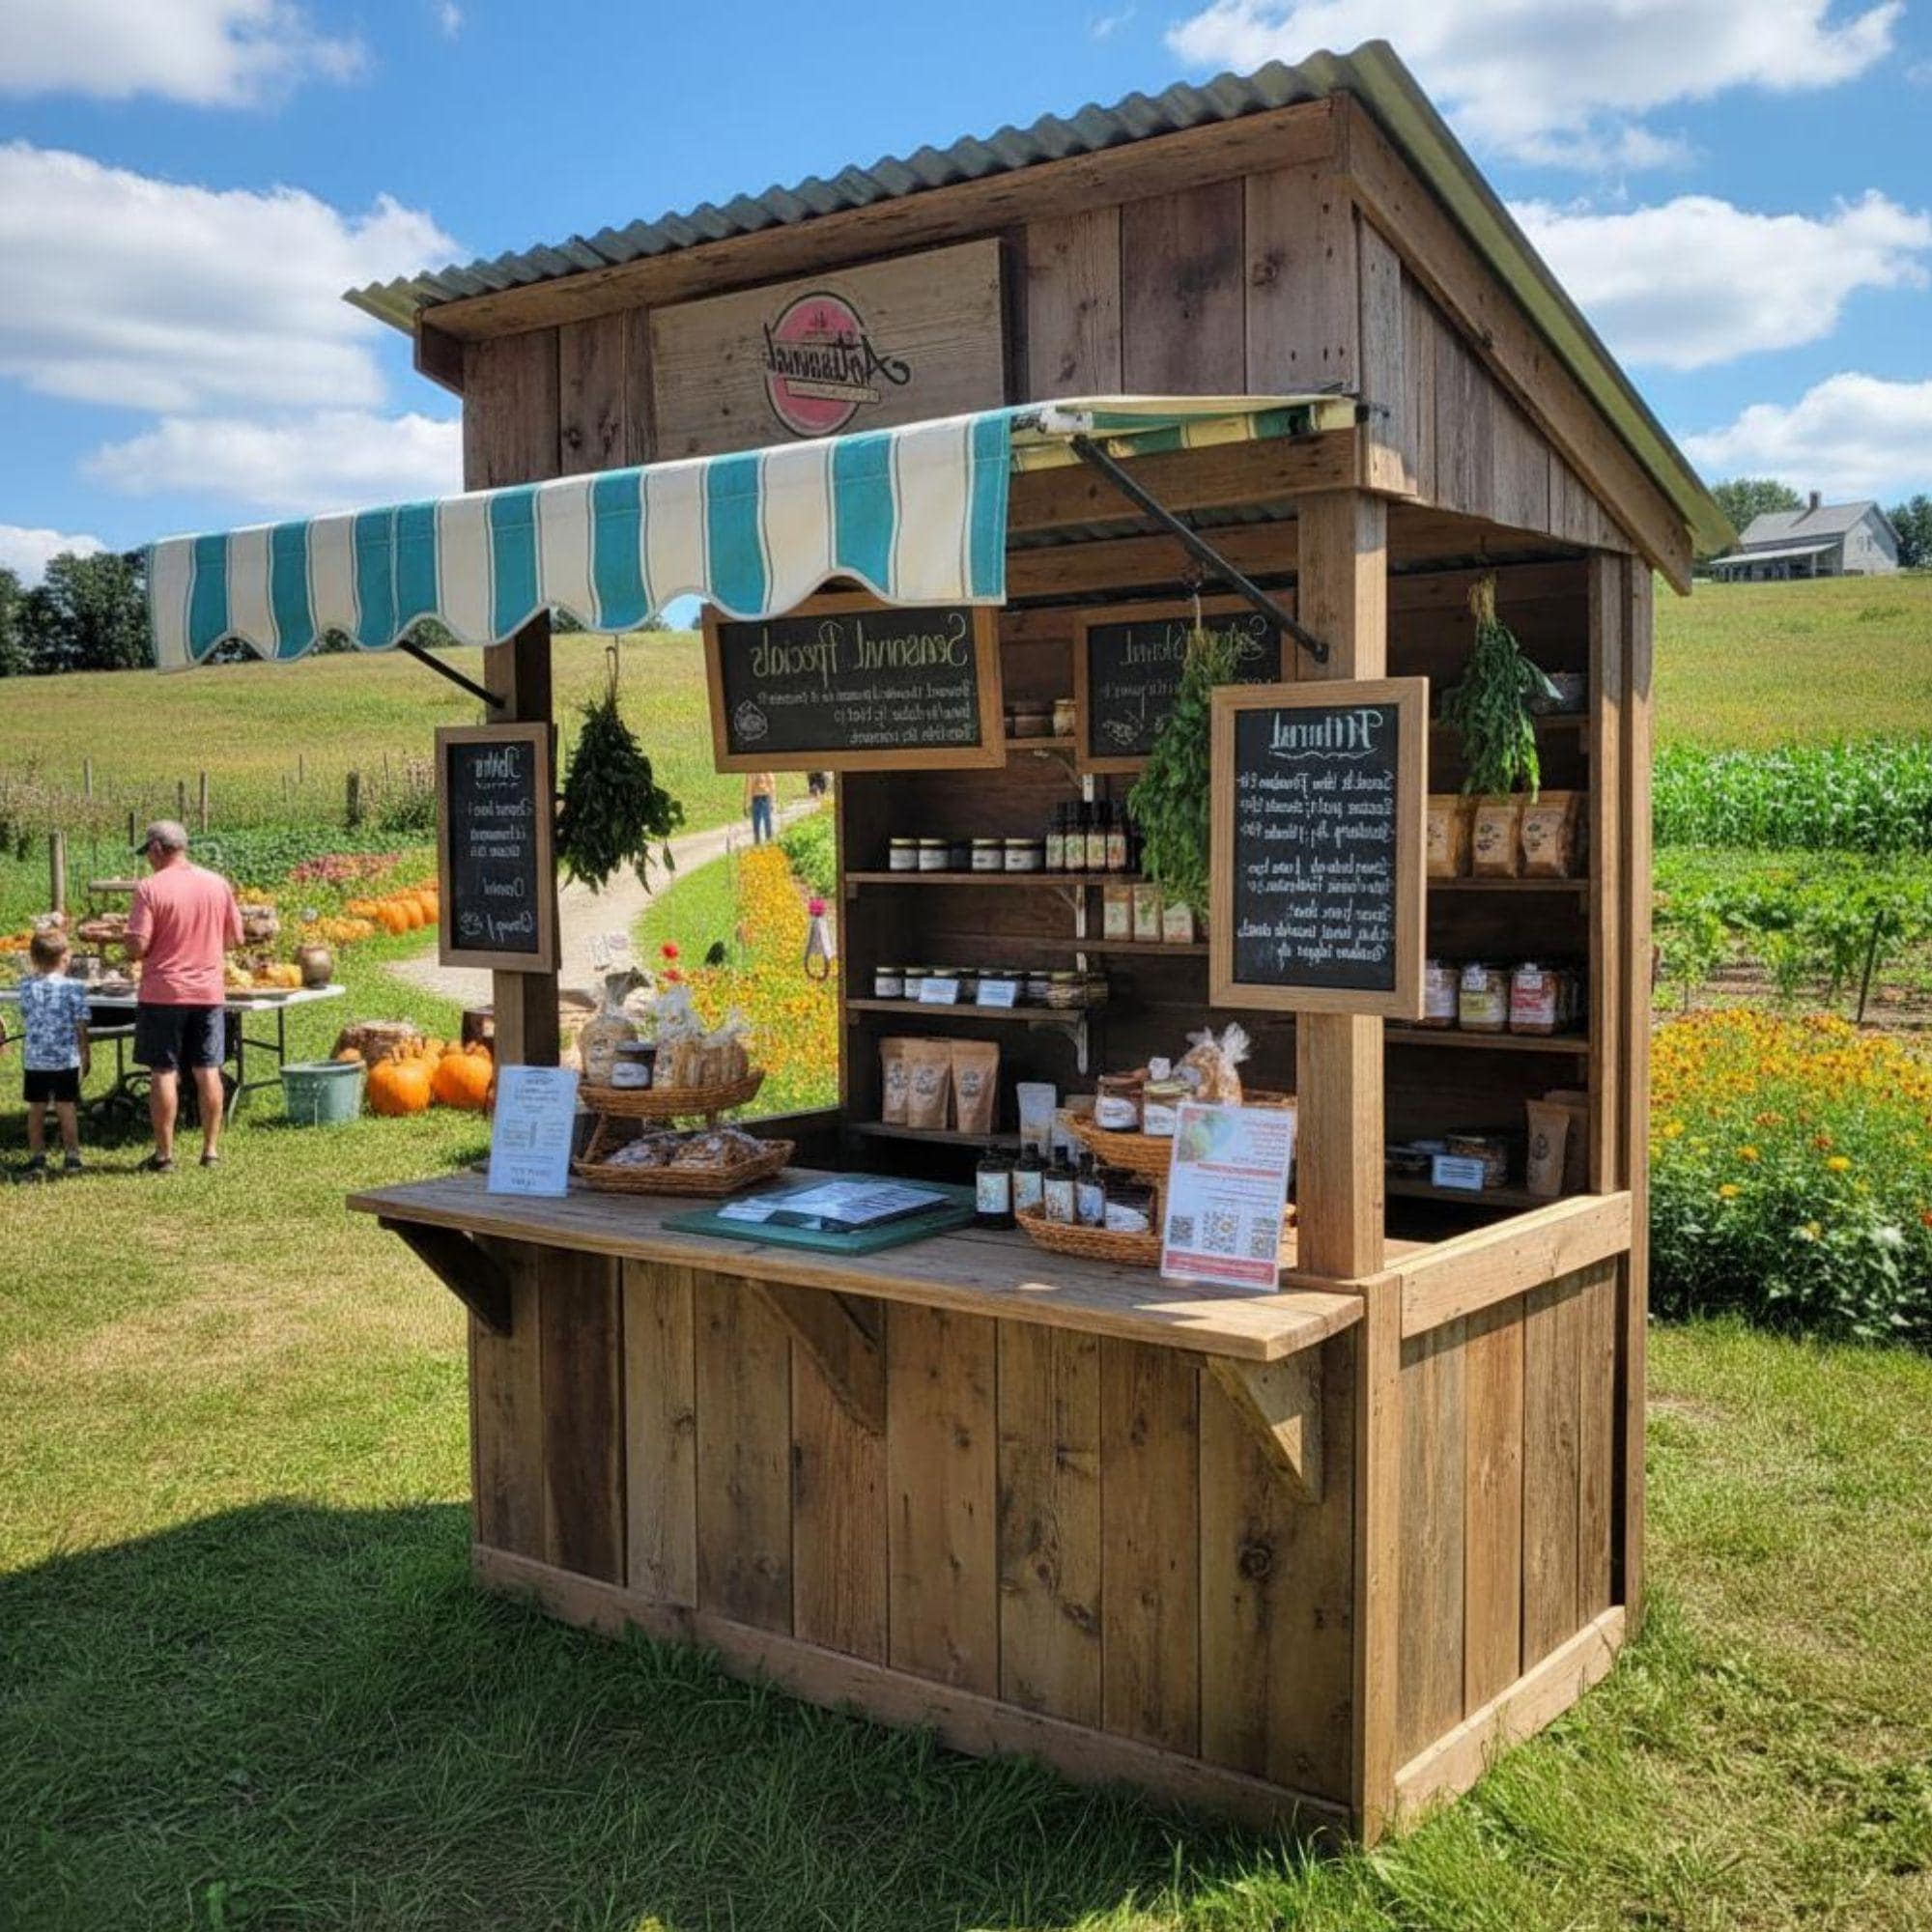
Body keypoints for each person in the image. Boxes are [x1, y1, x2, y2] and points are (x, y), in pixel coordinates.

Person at [126, 820, 242, 1173]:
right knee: (208, 1069)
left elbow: (137, 947)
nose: (148, 859)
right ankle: (210, 1151)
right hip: (208, 992)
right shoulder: (216, 884)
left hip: (163, 993)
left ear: (158, 849)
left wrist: (127, 939)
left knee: (163, 1070)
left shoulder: (149, 889)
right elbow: (235, 938)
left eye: (147, 852)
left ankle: (164, 1156)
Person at [12, 927, 90, 1177]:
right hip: (65, 1058)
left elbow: (25, 1013)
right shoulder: (75, 988)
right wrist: (85, 1053)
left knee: (36, 1109)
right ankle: (72, 1156)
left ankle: (37, 1157)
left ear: (33, 959)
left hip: (35, 1060)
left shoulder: (25, 986)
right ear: (65, 958)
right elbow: (81, 1025)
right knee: (66, 1107)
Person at [745, 770, 777, 845]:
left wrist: (772, 801)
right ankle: (758, 843)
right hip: (756, 798)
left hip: (765, 797)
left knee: (767, 822)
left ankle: (768, 843)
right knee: (757, 823)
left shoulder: (767, 769)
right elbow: (749, 786)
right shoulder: (751, 771)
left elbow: (772, 783)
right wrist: (748, 803)